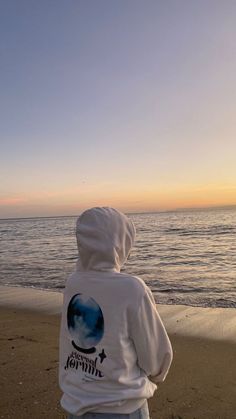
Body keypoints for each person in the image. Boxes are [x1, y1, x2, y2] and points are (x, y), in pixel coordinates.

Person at [59, 207, 173, 419]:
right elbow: (156, 355)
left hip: (75, 404)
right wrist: (156, 376)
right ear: (121, 243)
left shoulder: (73, 283)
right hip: (122, 406)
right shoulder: (132, 289)